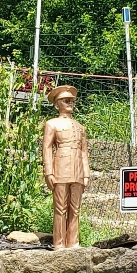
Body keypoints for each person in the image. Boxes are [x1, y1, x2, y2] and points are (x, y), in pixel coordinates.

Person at [42, 85, 91, 249]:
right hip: (61, 167)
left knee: (75, 209)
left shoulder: (80, 127)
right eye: (65, 100)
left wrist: (86, 174)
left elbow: (84, 151)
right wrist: (48, 172)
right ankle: (59, 243)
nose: (70, 103)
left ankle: (73, 242)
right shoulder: (52, 124)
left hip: (78, 169)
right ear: (57, 105)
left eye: (71, 100)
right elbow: (47, 148)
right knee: (60, 208)